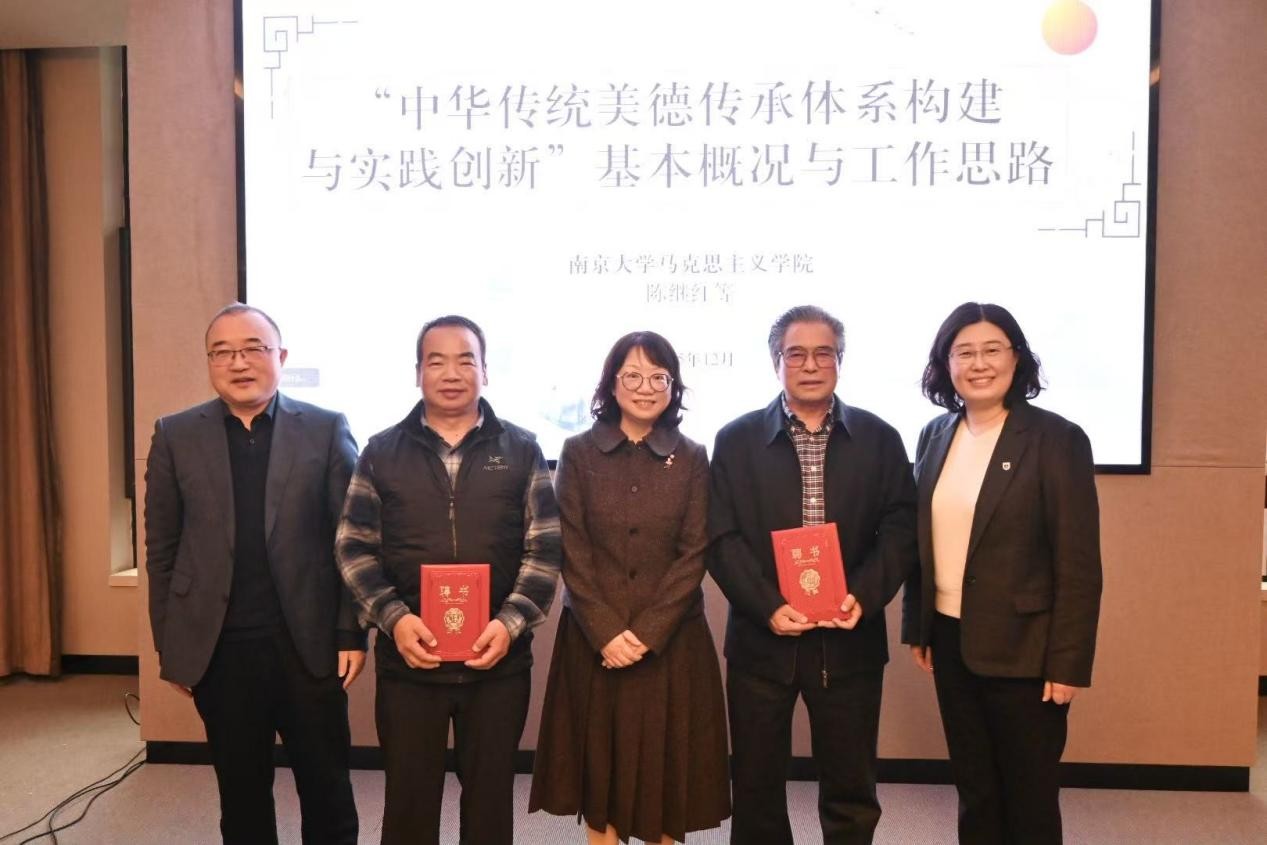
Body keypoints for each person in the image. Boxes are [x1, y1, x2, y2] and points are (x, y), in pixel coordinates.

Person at [335, 314, 561, 845]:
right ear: (418, 372)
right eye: (436, 361)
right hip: (410, 663)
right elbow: (354, 547)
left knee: (489, 807)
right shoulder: (381, 452)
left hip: (499, 666)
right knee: (409, 807)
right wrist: (395, 619)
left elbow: (545, 549)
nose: (452, 373)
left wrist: (509, 624)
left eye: (466, 360)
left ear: (486, 371)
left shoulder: (522, 449)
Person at [144, 303, 364, 845]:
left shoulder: (324, 429)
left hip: (308, 647)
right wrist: (173, 643)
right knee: (241, 797)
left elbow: (353, 542)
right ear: (209, 362)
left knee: (328, 793)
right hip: (221, 651)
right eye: (222, 352)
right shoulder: (175, 434)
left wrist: (350, 632)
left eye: (253, 349)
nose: (238, 363)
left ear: (280, 356)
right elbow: (162, 549)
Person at [707, 305, 918, 845]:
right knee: (755, 787)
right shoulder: (735, 440)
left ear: (840, 361)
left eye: (824, 353)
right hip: (761, 640)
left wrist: (863, 596)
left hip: (849, 639)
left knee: (851, 789)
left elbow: (901, 528)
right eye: (795, 353)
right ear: (775, 362)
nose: (810, 365)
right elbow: (720, 537)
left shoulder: (879, 437)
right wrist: (767, 606)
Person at [901, 302, 1102, 845]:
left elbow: (1079, 563)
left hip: (1027, 650)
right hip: (951, 640)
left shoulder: (1056, 439)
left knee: (1028, 795)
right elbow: (922, 538)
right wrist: (919, 625)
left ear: (1017, 358)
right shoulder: (935, 435)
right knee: (975, 788)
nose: (979, 363)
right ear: (945, 364)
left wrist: (1068, 662)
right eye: (963, 352)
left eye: (992, 350)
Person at [530, 332, 731, 844]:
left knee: (667, 784)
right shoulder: (578, 452)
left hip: (672, 644)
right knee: (602, 781)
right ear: (611, 384)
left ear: (673, 387)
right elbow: (571, 547)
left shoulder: (692, 456)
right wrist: (606, 632)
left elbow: (694, 552)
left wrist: (647, 634)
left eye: (658, 377)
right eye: (633, 375)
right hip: (594, 642)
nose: (645, 387)